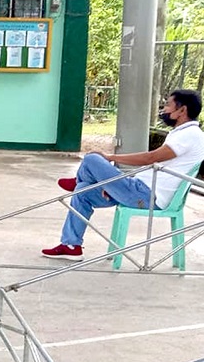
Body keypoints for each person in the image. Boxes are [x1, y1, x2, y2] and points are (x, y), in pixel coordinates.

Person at [42, 89, 204, 261]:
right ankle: (71, 246)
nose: (164, 109)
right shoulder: (183, 133)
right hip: (139, 189)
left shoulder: (189, 135)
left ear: (182, 110)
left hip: (147, 195)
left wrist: (111, 157)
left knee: (92, 159)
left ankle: (83, 179)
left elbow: (151, 158)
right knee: (82, 191)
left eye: (168, 105)